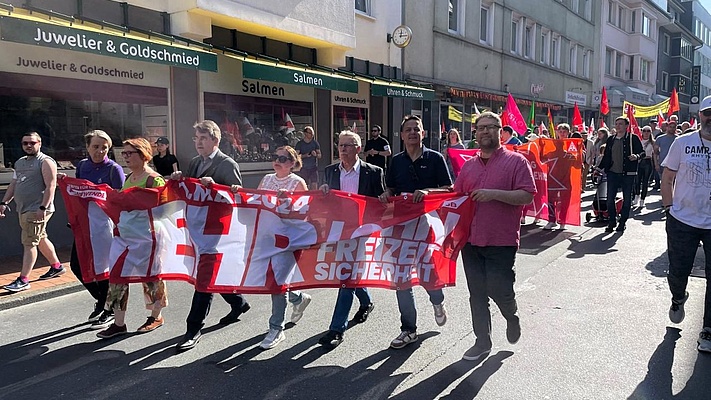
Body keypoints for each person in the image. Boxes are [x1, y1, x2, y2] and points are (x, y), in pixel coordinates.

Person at [454, 111, 536, 361]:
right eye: (481, 128)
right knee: (477, 292)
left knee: (499, 289)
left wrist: (494, 194)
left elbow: (527, 195)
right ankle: (482, 341)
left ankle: (511, 315)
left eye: (491, 127)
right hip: (470, 240)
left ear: (500, 132)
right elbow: (455, 197)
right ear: (475, 134)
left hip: (501, 239)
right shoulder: (468, 166)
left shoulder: (516, 162)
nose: (485, 131)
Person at [172, 120, 251, 352]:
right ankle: (238, 303)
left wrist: (216, 186)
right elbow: (190, 192)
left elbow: (238, 197)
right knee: (209, 274)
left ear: (215, 140)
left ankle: (193, 328)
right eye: (196, 138)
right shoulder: (195, 163)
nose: (198, 143)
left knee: (204, 279)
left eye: (203, 138)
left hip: (217, 232)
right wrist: (178, 181)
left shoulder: (227, 163)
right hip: (197, 228)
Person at [379, 115, 453, 349]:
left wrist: (428, 192)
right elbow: (391, 187)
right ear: (401, 136)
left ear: (423, 134)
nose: (412, 132)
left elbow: (449, 188)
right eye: (408, 129)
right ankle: (408, 329)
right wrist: (385, 194)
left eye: (416, 129)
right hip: (399, 228)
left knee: (427, 274)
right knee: (401, 278)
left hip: (427, 226)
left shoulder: (435, 159)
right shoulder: (396, 161)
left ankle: (437, 301)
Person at [237, 145, 312, 350]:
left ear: (292, 163)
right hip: (267, 237)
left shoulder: (298, 182)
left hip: (287, 239)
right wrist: (239, 193)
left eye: (283, 157)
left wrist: (289, 201)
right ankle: (299, 298)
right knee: (271, 280)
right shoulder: (267, 179)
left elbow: (304, 213)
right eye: (275, 156)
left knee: (278, 281)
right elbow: (257, 202)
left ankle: (276, 328)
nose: (277, 160)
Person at [317, 130, 384, 348]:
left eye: (348, 145)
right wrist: (323, 191)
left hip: (362, 232)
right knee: (348, 273)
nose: (343, 149)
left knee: (346, 276)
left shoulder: (373, 172)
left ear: (358, 148)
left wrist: (383, 199)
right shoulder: (329, 172)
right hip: (338, 231)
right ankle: (366, 302)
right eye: (340, 145)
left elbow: (380, 203)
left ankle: (337, 329)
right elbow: (323, 202)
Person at [96, 138, 168, 339]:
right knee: (117, 277)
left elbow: (164, 211)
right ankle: (118, 323)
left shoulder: (155, 179)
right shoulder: (129, 177)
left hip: (148, 237)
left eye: (130, 153)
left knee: (152, 277)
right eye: (124, 153)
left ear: (143, 154)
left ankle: (156, 316)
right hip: (126, 237)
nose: (125, 157)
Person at [661, 95, 711, 353]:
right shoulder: (683, 142)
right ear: (700, 115)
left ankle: (709, 329)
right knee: (678, 271)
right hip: (682, 219)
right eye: (707, 113)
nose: (710, 118)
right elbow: (667, 177)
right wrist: (669, 209)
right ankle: (678, 297)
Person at [62, 130, 125, 329]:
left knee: (105, 268)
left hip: (106, 227)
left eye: (104, 147)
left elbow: (120, 200)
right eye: (95, 147)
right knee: (77, 265)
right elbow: (78, 195)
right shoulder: (82, 166)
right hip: (85, 226)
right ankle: (102, 301)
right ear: (87, 147)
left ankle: (108, 310)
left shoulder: (114, 169)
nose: (100, 151)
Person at [1, 132, 64, 292]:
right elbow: (14, 184)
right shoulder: (20, 162)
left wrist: (42, 208)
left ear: (39, 143)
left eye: (32, 143)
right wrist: (4, 202)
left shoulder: (46, 161)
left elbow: (51, 186)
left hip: (37, 210)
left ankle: (23, 279)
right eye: (25, 143)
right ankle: (56, 266)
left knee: (29, 243)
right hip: (23, 208)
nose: (29, 146)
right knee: (40, 238)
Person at [598, 116, 644, 233]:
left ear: (626, 126)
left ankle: (622, 222)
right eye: (616, 124)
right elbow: (607, 156)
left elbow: (642, 152)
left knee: (627, 199)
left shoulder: (632, 138)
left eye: (621, 124)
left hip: (628, 173)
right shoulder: (611, 139)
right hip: (613, 172)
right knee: (609, 199)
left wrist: (636, 156)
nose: (618, 126)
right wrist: (599, 168)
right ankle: (611, 221)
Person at [543, 123, 571, 230]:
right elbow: (543, 158)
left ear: (568, 133)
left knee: (564, 201)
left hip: (566, 179)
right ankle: (551, 220)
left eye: (564, 131)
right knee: (550, 199)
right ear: (557, 132)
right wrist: (541, 144)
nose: (562, 133)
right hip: (553, 178)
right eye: (560, 131)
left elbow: (579, 160)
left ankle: (562, 221)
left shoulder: (574, 144)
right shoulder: (552, 144)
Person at [633, 126, 655, 209]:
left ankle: (642, 199)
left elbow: (655, 154)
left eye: (648, 131)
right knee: (637, 181)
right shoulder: (639, 141)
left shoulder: (653, 142)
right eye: (644, 131)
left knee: (645, 182)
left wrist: (656, 164)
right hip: (639, 162)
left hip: (647, 162)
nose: (646, 132)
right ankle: (636, 196)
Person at [654, 119, 678, 190]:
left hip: (675, 164)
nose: (672, 128)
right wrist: (656, 164)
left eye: (674, 127)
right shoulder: (660, 138)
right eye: (670, 127)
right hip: (663, 164)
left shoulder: (679, 139)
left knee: (674, 182)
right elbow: (655, 152)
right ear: (667, 127)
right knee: (665, 182)